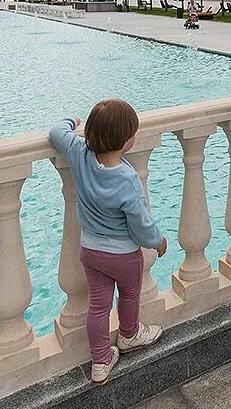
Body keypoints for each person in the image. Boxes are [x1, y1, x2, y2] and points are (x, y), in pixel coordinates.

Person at [47, 100, 167, 385]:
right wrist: (158, 242)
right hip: (123, 256)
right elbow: (140, 224)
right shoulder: (126, 179)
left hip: (91, 251)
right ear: (126, 141)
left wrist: (71, 122)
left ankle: (100, 361)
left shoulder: (79, 153)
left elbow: (54, 132)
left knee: (98, 306)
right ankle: (129, 335)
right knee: (129, 294)